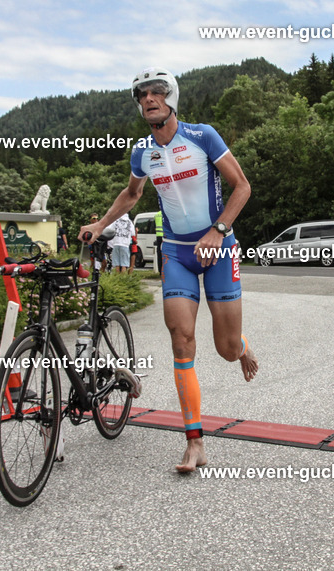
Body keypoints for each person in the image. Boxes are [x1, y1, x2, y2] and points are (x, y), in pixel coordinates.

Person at [79, 67, 258, 472]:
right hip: (176, 253)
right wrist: (99, 225)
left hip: (219, 249)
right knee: (181, 340)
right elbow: (132, 194)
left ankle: (242, 346)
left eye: (157, 92)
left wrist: (219, 230)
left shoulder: (202, 136)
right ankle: (194, 442)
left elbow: (242, 187)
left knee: (226, 349)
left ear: (171, 97)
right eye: (142, 95)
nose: (149, 99)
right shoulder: (143, 151)